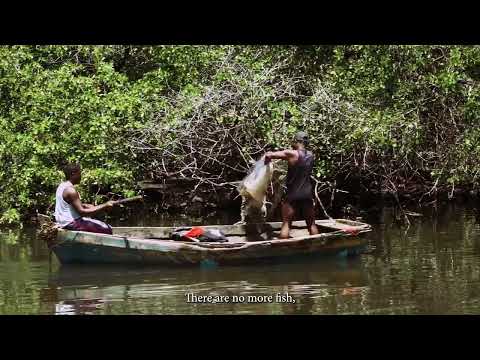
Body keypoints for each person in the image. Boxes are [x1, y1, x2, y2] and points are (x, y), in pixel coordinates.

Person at [264, 131, 319, 239]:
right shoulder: (311, 155)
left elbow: (270, 155)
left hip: (293, 193)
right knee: (311, 223)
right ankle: (318, 245)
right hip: (307, 193)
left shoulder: (292, 153)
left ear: (296, 141)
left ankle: (283, 249)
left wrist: (266, 158)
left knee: (287, 224)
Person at [54, 163, 116, 234]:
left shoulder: (62, 186)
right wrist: (105, 205)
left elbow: (68, 204)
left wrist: (84, 205)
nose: (81, 176)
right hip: (72, 223)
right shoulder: (71, 190)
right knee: (108, 229)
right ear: (73, 174)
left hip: (64, 223)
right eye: (79, 173)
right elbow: (82, 212)